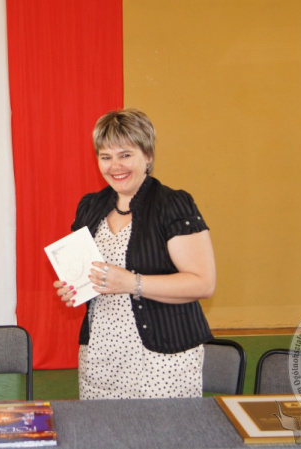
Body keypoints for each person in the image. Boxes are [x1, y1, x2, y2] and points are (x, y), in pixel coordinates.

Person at [53, 108, 216, 399]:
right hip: (100, 357)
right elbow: (90, 276)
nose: (115, 166)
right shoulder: (90, 206)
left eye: (125, 155)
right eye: (106, 157)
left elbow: (203, 284)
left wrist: (131, 283)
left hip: (164, 360)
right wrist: (75, 287)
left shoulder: (173, 205)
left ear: (148, 155)